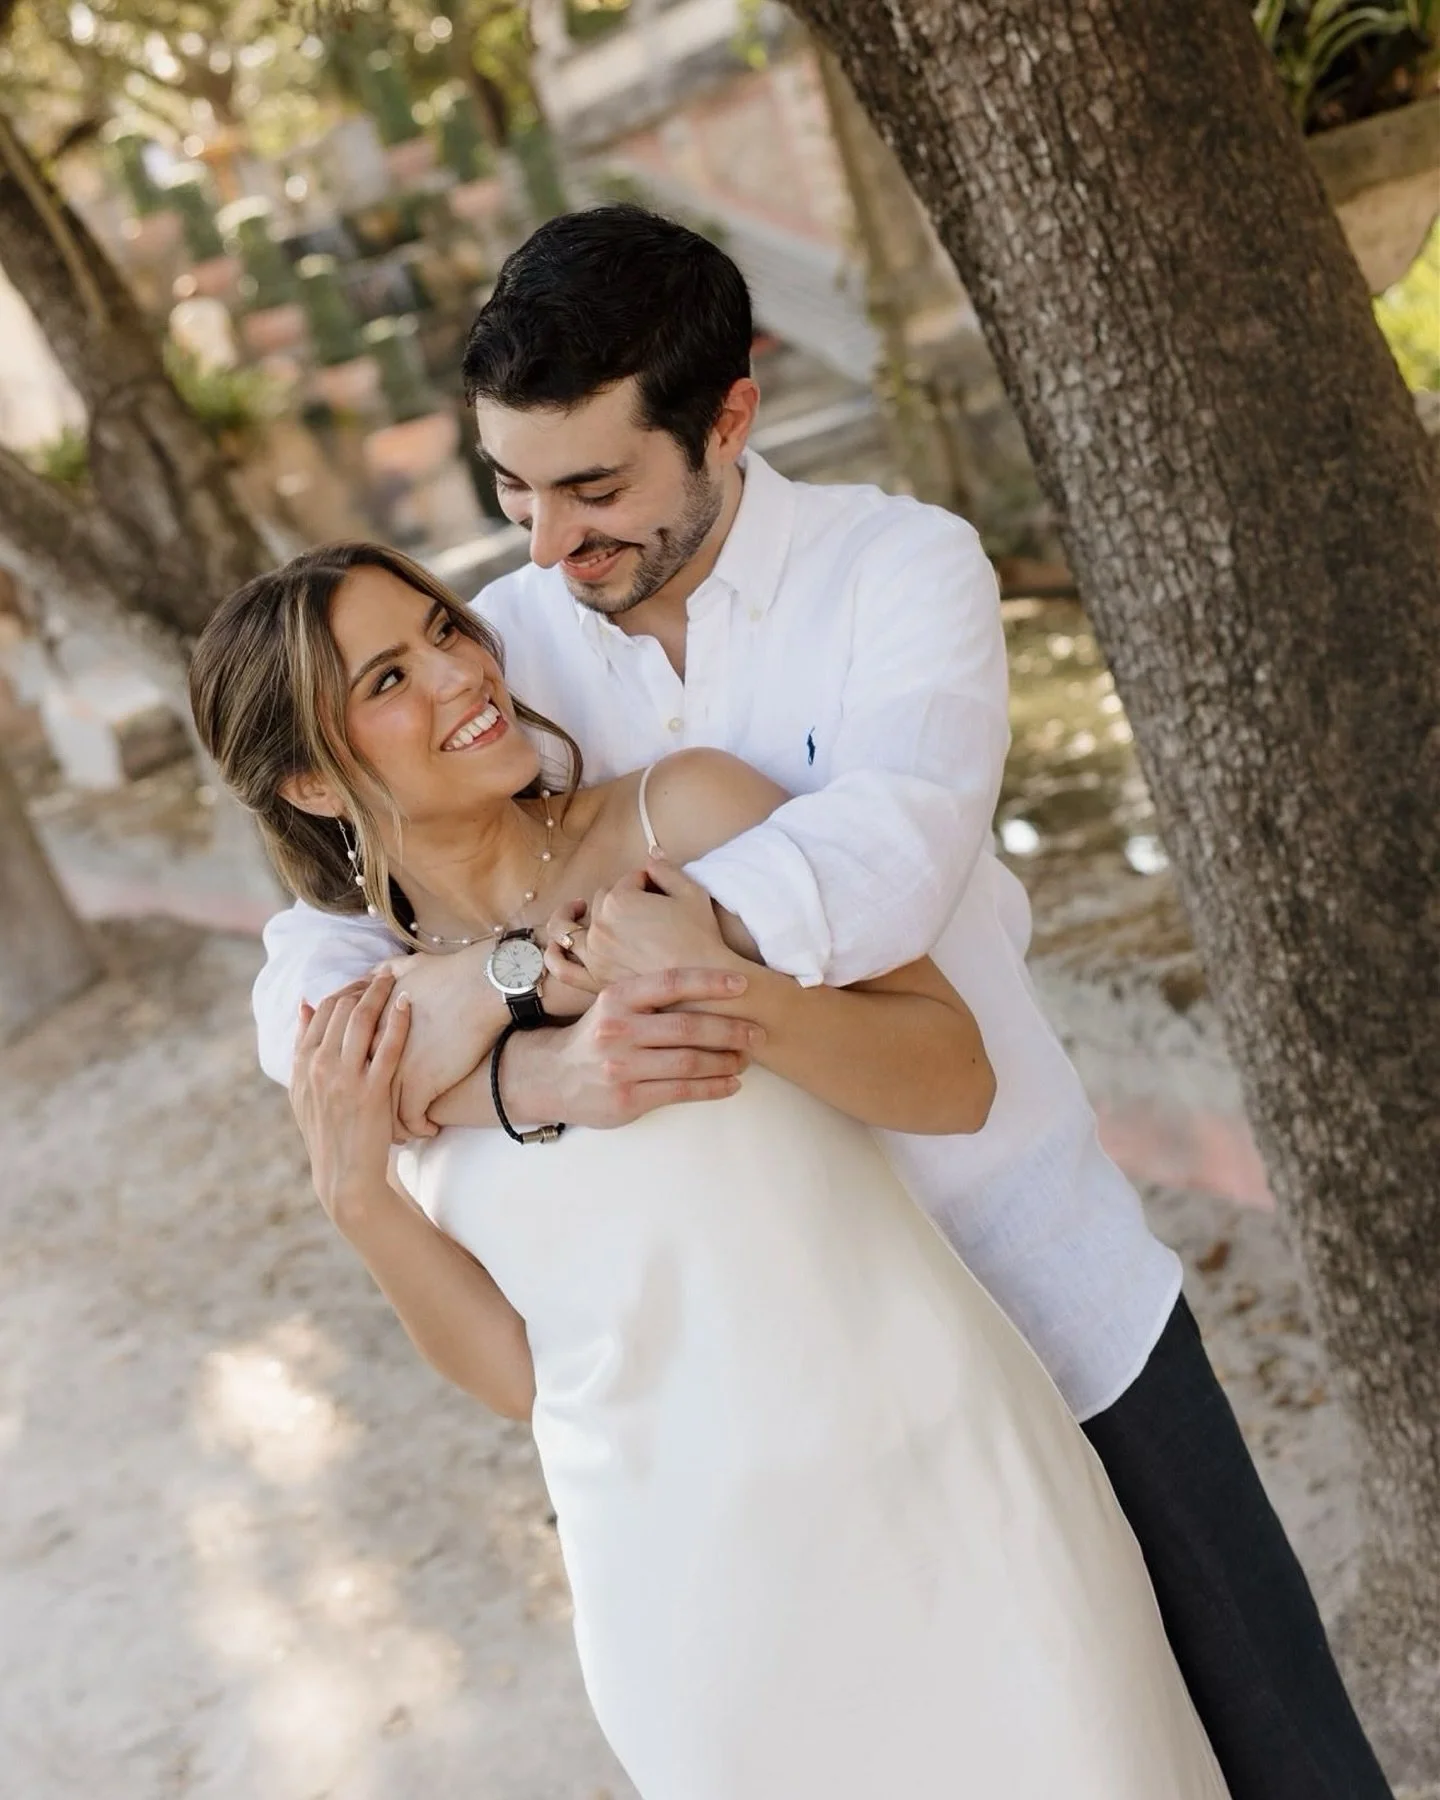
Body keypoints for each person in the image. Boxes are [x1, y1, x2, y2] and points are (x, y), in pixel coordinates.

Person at [250, 208, 1391, 1800]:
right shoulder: (501, 644)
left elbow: (891, 851)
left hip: (1023, 1277)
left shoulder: (897, 568)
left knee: (1266, 1758)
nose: (544, 548)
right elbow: (318, 950)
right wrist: (511, 1036)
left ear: (727, 417)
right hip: (757, 1384)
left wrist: (617, 951)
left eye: (594, 489)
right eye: (510, 491)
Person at [193, 539, 1227, 1797]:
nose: (462, 675)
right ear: (310, 780)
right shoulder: (368, 1025)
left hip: (943, 1479)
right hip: (689, 1593)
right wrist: (357, 1197)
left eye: (447, 631)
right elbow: (527, 1377)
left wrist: (725, 992)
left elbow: (953, 1077)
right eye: (390, 678)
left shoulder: (682, 816)